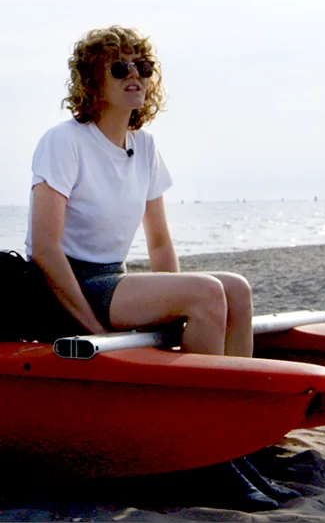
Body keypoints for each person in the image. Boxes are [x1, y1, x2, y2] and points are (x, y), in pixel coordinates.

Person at [24, 25, 253, 357]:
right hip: (67, 287)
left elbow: (159, 243)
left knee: (236, 290)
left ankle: (235, 388)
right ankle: (194, 388)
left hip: (113, 279)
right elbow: (44, 249)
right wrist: (94, 329)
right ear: (92, 81)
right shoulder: (64, 141)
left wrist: (174, 305)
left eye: (143, 67)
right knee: (206, 293)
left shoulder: (144, 146)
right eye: (120, 68)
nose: (135, 75)